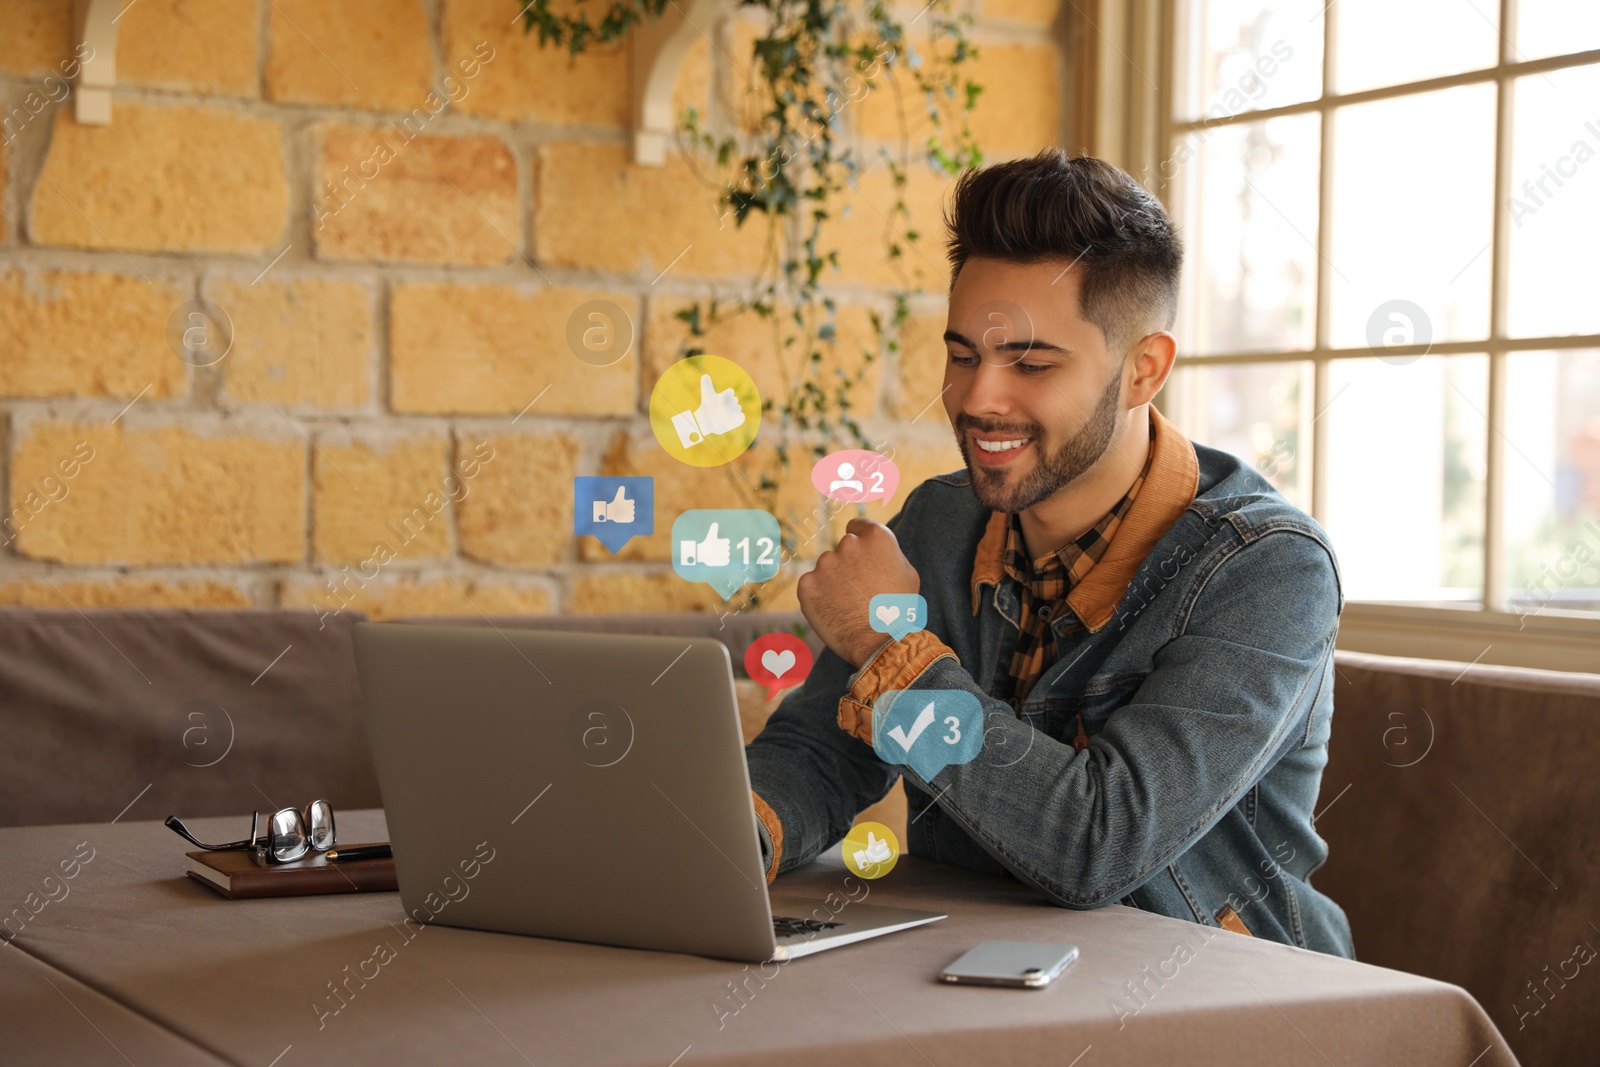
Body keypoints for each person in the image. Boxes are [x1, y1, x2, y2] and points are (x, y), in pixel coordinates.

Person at [744, 149, 1353, 957]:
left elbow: (1097, 845)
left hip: (1224, 1007)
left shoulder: (1271, 569)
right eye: (963, 355)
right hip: (973, 982)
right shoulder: (938, 522)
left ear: (1143, 371)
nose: (976, 398)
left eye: (1030, 362)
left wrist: (889, 649)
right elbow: (822, 753)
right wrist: (721, 841)